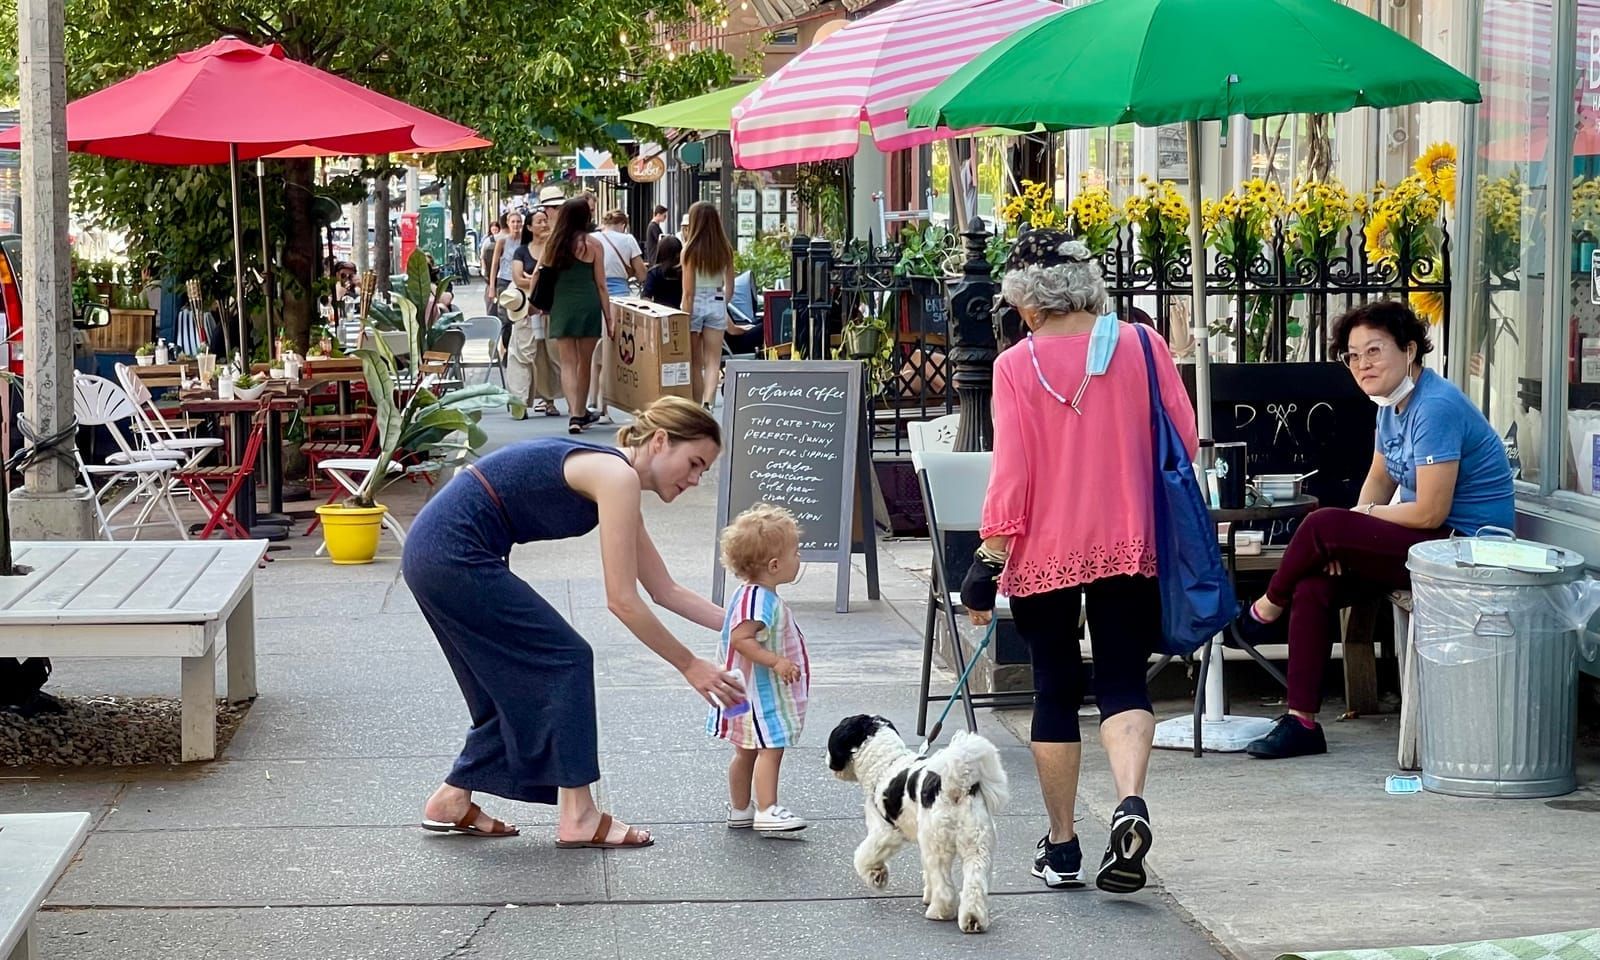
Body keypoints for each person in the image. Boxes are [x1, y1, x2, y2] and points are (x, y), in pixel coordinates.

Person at [960, 231, 1195, 896]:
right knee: (1124, 681)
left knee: (1055, 690)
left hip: (1045, 550)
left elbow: (1012, 476)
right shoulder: (1144, 346)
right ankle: (1129, 802)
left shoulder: (1016, 365)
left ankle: (1062, 846)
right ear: (1090, 285)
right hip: (1128, 542)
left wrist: (988, 559)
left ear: (1027, 303)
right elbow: (1185, 441)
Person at [405, 397, 744, 848]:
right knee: (565, 658)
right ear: (660, 441)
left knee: (506, 684)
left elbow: (665, 590)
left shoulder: (616, 478)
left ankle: (451, 799)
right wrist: (690, 665)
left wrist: (746, 622)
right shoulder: (616, 476)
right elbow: (623, 601)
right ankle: (579, 814)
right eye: (694, 462)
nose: (697, 479)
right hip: (451, 552)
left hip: (438, 551)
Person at [1233, 300, 1515, 760]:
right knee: (1315, 583)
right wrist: (1351, 535)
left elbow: (1429, 513)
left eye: (1374, 351)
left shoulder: (1436, 406)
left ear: (1409, 350)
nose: (1362, 364)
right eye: (1353, 355)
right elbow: (1380, 481)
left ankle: (1265, 607)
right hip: (1430, 546)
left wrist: (1354, 523)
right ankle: (1301, 722)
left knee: (1322, 521)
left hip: (1466, 550)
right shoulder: (1390, 404)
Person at [708, 503, 811, 834]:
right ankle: (767, 808)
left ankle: (740, 809)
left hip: (746, 693)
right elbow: (742, 639)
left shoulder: (750, 594)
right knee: (771, 747)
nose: (799, 558)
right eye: (796, 552)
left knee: (746, 751)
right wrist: (777, 661)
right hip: (758, 695)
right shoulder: (759, 600)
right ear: (775, 564)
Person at [542, 197, 610, 435]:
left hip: (562, 304)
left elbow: (542, 275)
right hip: (588, 304)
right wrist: (609, 318)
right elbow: (601, 284)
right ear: (586, 217)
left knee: (568, 363)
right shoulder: (594, 245)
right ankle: (580, 412)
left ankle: (573, 414)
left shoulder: (554, 244)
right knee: (585, 362)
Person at [589, 210, 649, 425]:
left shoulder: (592, 239)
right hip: (621, 298)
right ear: (623, 224)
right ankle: (609, 408)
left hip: (594, 295)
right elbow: (642, 274)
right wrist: (630, 273)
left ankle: (593, 403)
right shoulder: (627, 240)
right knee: (615, 354)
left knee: (595, 353)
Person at [680, 201, 736, 411]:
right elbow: (729, 286)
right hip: (716, 300)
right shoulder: (725, 249)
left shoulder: (689, 250)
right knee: (713, 360)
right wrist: (722, 303)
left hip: (694, 304)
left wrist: (685, 315)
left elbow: (688, 292)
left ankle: (695, 405)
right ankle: (708, 402)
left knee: (695, 361)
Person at [506, 210, 562, 417]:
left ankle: (549, 400)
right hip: (526, 309)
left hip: (550, 307)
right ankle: (519, 401)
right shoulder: (521, 251)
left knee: (549, 356)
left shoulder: (554, 249)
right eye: (539, 221)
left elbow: (558, 277)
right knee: (523, 354)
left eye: (546, 221)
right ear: (529, 227)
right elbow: (518, 278)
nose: (544, 224)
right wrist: (538, 281)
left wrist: (536, 279)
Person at [490, 208, 526, 355]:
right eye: (513, 222)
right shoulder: (502, 241)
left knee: (519, 316)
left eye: (518, 222)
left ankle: (516, 348)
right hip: (504, 280)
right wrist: (492, 286)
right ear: (508, 223)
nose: (516, 225)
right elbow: (494, 264)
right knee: (505, 317)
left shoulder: (525, 240)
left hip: (520, 282)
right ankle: (506, 347)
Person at [643, 236, 684, 310]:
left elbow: (646, 297)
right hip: (677, 313)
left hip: (658, 312)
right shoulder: (682, 272)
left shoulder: (654, 272)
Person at [479, 220, 503, 309]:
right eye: (493, 230)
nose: (495, 233)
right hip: (490, 270)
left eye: (496, 230)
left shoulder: (504, 240)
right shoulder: (487, 241)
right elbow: (482, 256)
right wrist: (483, 268)